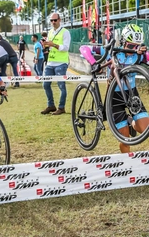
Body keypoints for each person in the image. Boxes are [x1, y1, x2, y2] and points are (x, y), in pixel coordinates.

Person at [79, 23, 149, 153]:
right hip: (114, 99)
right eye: (131, 45)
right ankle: (127, 164)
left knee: (144, 130)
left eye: (137, 45)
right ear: (123, 41)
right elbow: (83, 48)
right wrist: (93, 63)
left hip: (131, 95)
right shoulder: (112, 51)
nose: (133, 48)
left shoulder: (139, 55)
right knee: (125, 140)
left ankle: (131, 121)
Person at [41, 12, 71, 115]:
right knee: (45, 84)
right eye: (51, 20)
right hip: (50, 62)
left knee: (61, 85)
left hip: (61, 63)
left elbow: (66, 47)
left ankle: (61, 107)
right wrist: (45, 45)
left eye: (55, 20)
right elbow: (49, 46)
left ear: (59, 20)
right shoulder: (50, 32)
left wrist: (53, 44)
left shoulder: (65, 32)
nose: (53, 22)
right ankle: (51, 105)